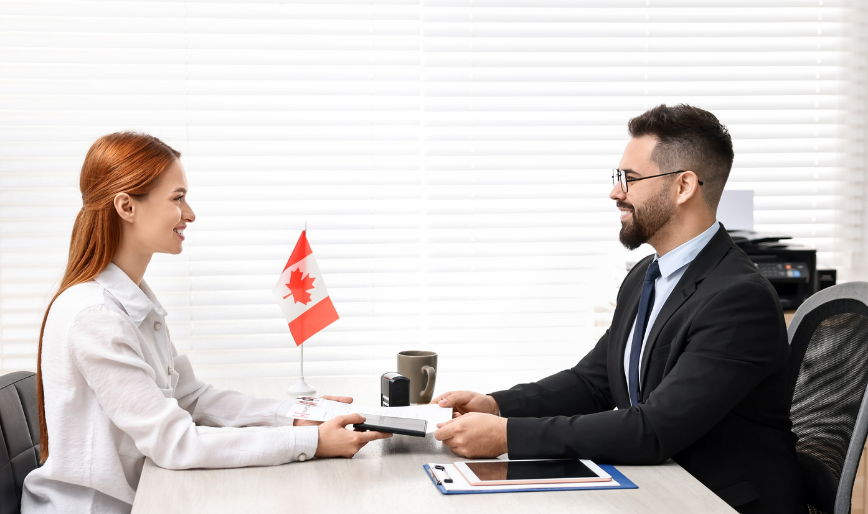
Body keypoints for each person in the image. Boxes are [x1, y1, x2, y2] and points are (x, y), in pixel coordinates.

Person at [432, 104, 806, 514]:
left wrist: (507, 435)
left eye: (630, 178)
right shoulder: (647, 274)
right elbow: (593, 383)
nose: (616, 192)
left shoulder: (738, 298)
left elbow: (654, 429)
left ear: (683, 186)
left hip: (720, 499)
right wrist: (496, 405)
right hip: (662, 486)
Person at [22, 132, 391, 514]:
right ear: (127, 206)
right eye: (177, 198)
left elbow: (192, 399)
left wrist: (296, 417)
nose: (190, 214)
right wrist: (312, 443)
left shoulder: (131, 300)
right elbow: (175, 443)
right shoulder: (96, 316)